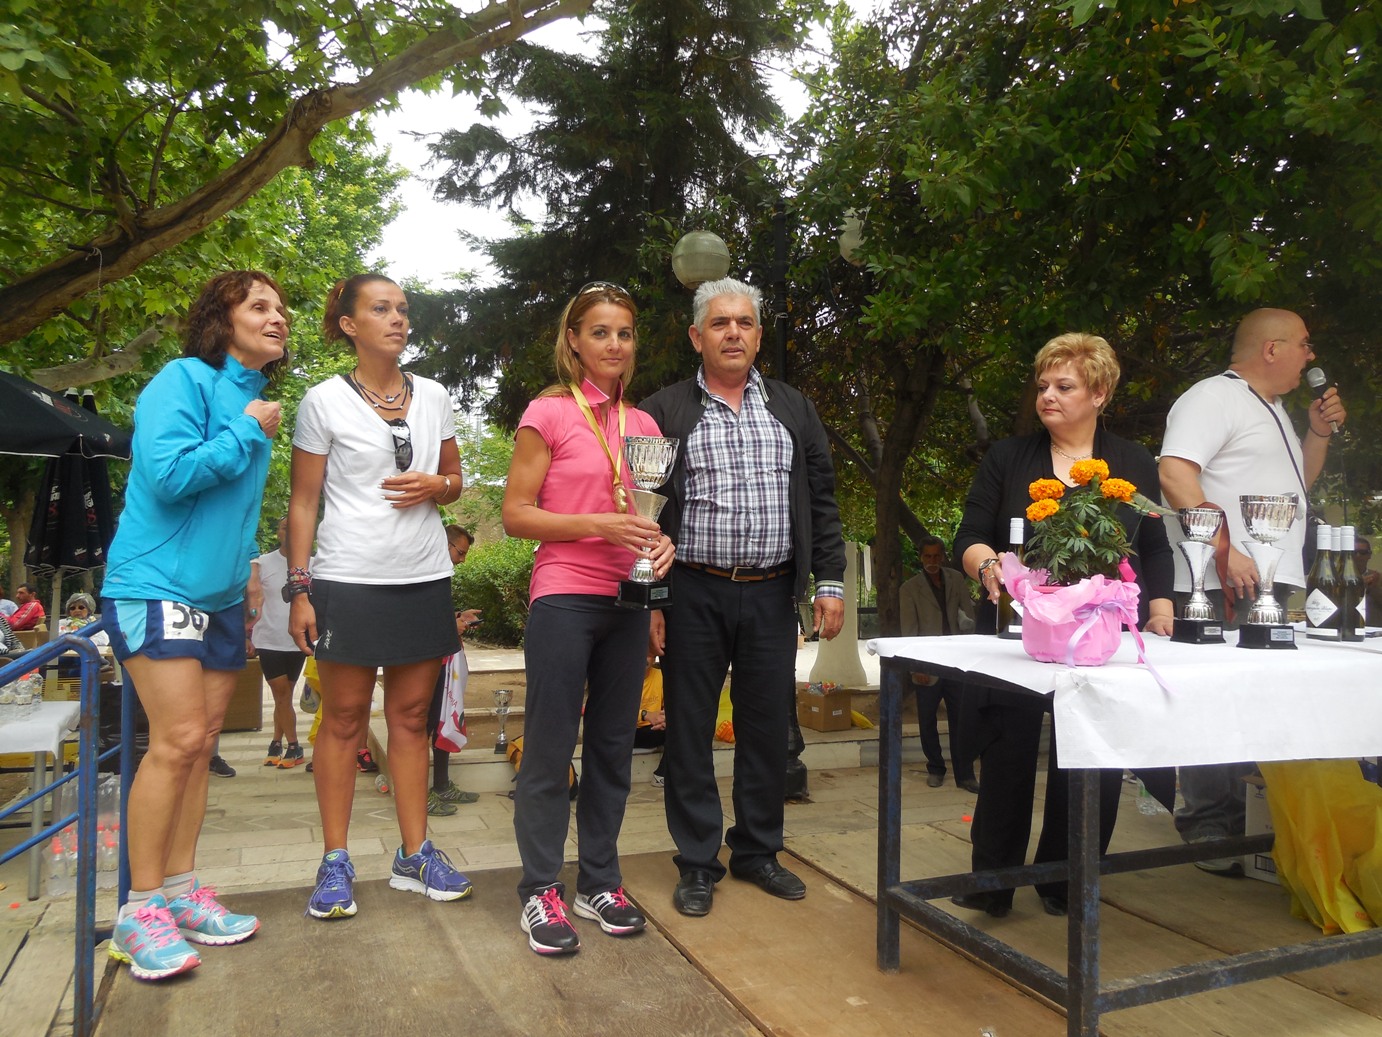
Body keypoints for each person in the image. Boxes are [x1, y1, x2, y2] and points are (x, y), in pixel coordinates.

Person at [99, 269, 287, 980]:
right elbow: (171, 476)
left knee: (202, 744)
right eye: (259, 306)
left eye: (281, 309)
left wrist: (247, 573)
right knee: (176, 739)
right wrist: (245, 429)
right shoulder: (182, 380)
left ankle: (181, 892)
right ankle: (138, 910)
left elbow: (229, 509)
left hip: (220, 598)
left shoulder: (255, 401)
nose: (277, 317)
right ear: (221, 318)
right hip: (154, 584)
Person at [640, 277, 846, 918]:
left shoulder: (793, 407)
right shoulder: (663, 410)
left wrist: (829, 583)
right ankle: (698, 862)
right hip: (692, 591)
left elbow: (822, 499)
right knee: (689, 731)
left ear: (758, 335)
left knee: (765, 730)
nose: (734, 333)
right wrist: (652, 599)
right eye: (720, 323)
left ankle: (757, 851)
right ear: (696, 336)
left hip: (772, 592)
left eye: (745, 323)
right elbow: (641, 509)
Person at [953, 332, 1176, 917]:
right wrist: (989, 570)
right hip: (1018, 632)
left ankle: (1068, 881)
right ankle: (992, 882)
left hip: (1102, 637)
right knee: (1007, 752)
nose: (1047, 396)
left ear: (1099, 394)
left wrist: (1160, 609)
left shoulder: (1133, 461)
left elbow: (1154, 547)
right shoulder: (1007, 457)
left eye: (1064, 386)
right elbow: (969, 535)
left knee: (1093, 755)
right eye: (1043, 385)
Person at [288, 273, 470, 919]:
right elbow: (303, 502)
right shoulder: (323, 401)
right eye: (382, 308)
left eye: (403, 309)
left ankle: (414, 853)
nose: (398, 319)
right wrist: (300, 587)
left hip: (423, 576)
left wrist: (437, 486)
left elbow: (456, 479)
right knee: (342, 720)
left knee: (412, 719)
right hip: (348, 577)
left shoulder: (435, 395)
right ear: (349, 324)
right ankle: (335, 860)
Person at [501, 281, 673, 956]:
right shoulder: (548, 412)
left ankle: (599, 879)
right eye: (599, 332)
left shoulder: (646, 425)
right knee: (549, 748)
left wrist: (662, 548)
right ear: (573, 340)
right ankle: (539, 887)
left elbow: (646, 516)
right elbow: (517, 515)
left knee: (612, 746)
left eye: (624, 333)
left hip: (628, 600)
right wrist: (596, 523)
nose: (614, 344)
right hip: (566, 594)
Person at [1159, 308, 1345, 873]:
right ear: (1271, 349)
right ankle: (1207, 821)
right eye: (1303, 344)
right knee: (1213, 699)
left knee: (1253, 699)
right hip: (1222, 578)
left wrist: (1317, 432)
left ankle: (1246, 820)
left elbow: (1297, 487)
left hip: (1268, 577)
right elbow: (1175, 472)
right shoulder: (1213, 397)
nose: (1311, 355)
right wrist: (1225, 548)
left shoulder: (1274, 410)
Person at [898, 537, 979, 792]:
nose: (932, 561)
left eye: (936, 556)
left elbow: (968, 617)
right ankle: (935, 768)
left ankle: (965, 774)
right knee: (927, 720)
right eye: (927, 556)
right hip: (928, 664)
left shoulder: (956, 579)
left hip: (955, 662)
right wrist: (916, 667)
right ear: (921, 557)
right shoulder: (910, 589)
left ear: (942, 556)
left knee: (961, 720)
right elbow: (909, 632)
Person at [425, 524, 481, 816]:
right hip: (421, 661)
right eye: (460, 552)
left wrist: (458, 617)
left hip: (441, 660)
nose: (462, 560)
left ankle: (442, 785)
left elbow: (436, 614)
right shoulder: (423, 571)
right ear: (444, 544)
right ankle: (417, 795)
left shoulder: (441, 573)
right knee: (420, 726)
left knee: (442, 718)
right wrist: (451, 625)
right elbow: (417, 618)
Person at [247, 517, 308, 769]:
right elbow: (250, 600)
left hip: (297, 641)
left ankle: (275, 742)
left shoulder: (311, 564)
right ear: (278, 533)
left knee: (284, 696)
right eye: (285, 527)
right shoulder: (261, 563)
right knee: (281, 694)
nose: (290, 532)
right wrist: (246, 633)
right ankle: (294, 747)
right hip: (268, 639)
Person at [634, 659, 667, 788]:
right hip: (625, 731)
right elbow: (615, 710)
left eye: (650, 653)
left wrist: (665, 719)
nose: (645, 657)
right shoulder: (623, 673)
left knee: (679, 728)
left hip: (651, 730)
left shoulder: (661, 676)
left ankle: (662, 775)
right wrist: (645, 715)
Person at [1355, 536, 1382, 626]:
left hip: (1374, 629)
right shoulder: (1338, 578)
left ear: (1369, 555)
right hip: (1346, 628)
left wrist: (1374, 588)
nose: (1358, 555)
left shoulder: (1378, 578)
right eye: (1354, 552)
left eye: (1362, 552)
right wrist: (1358, 586)